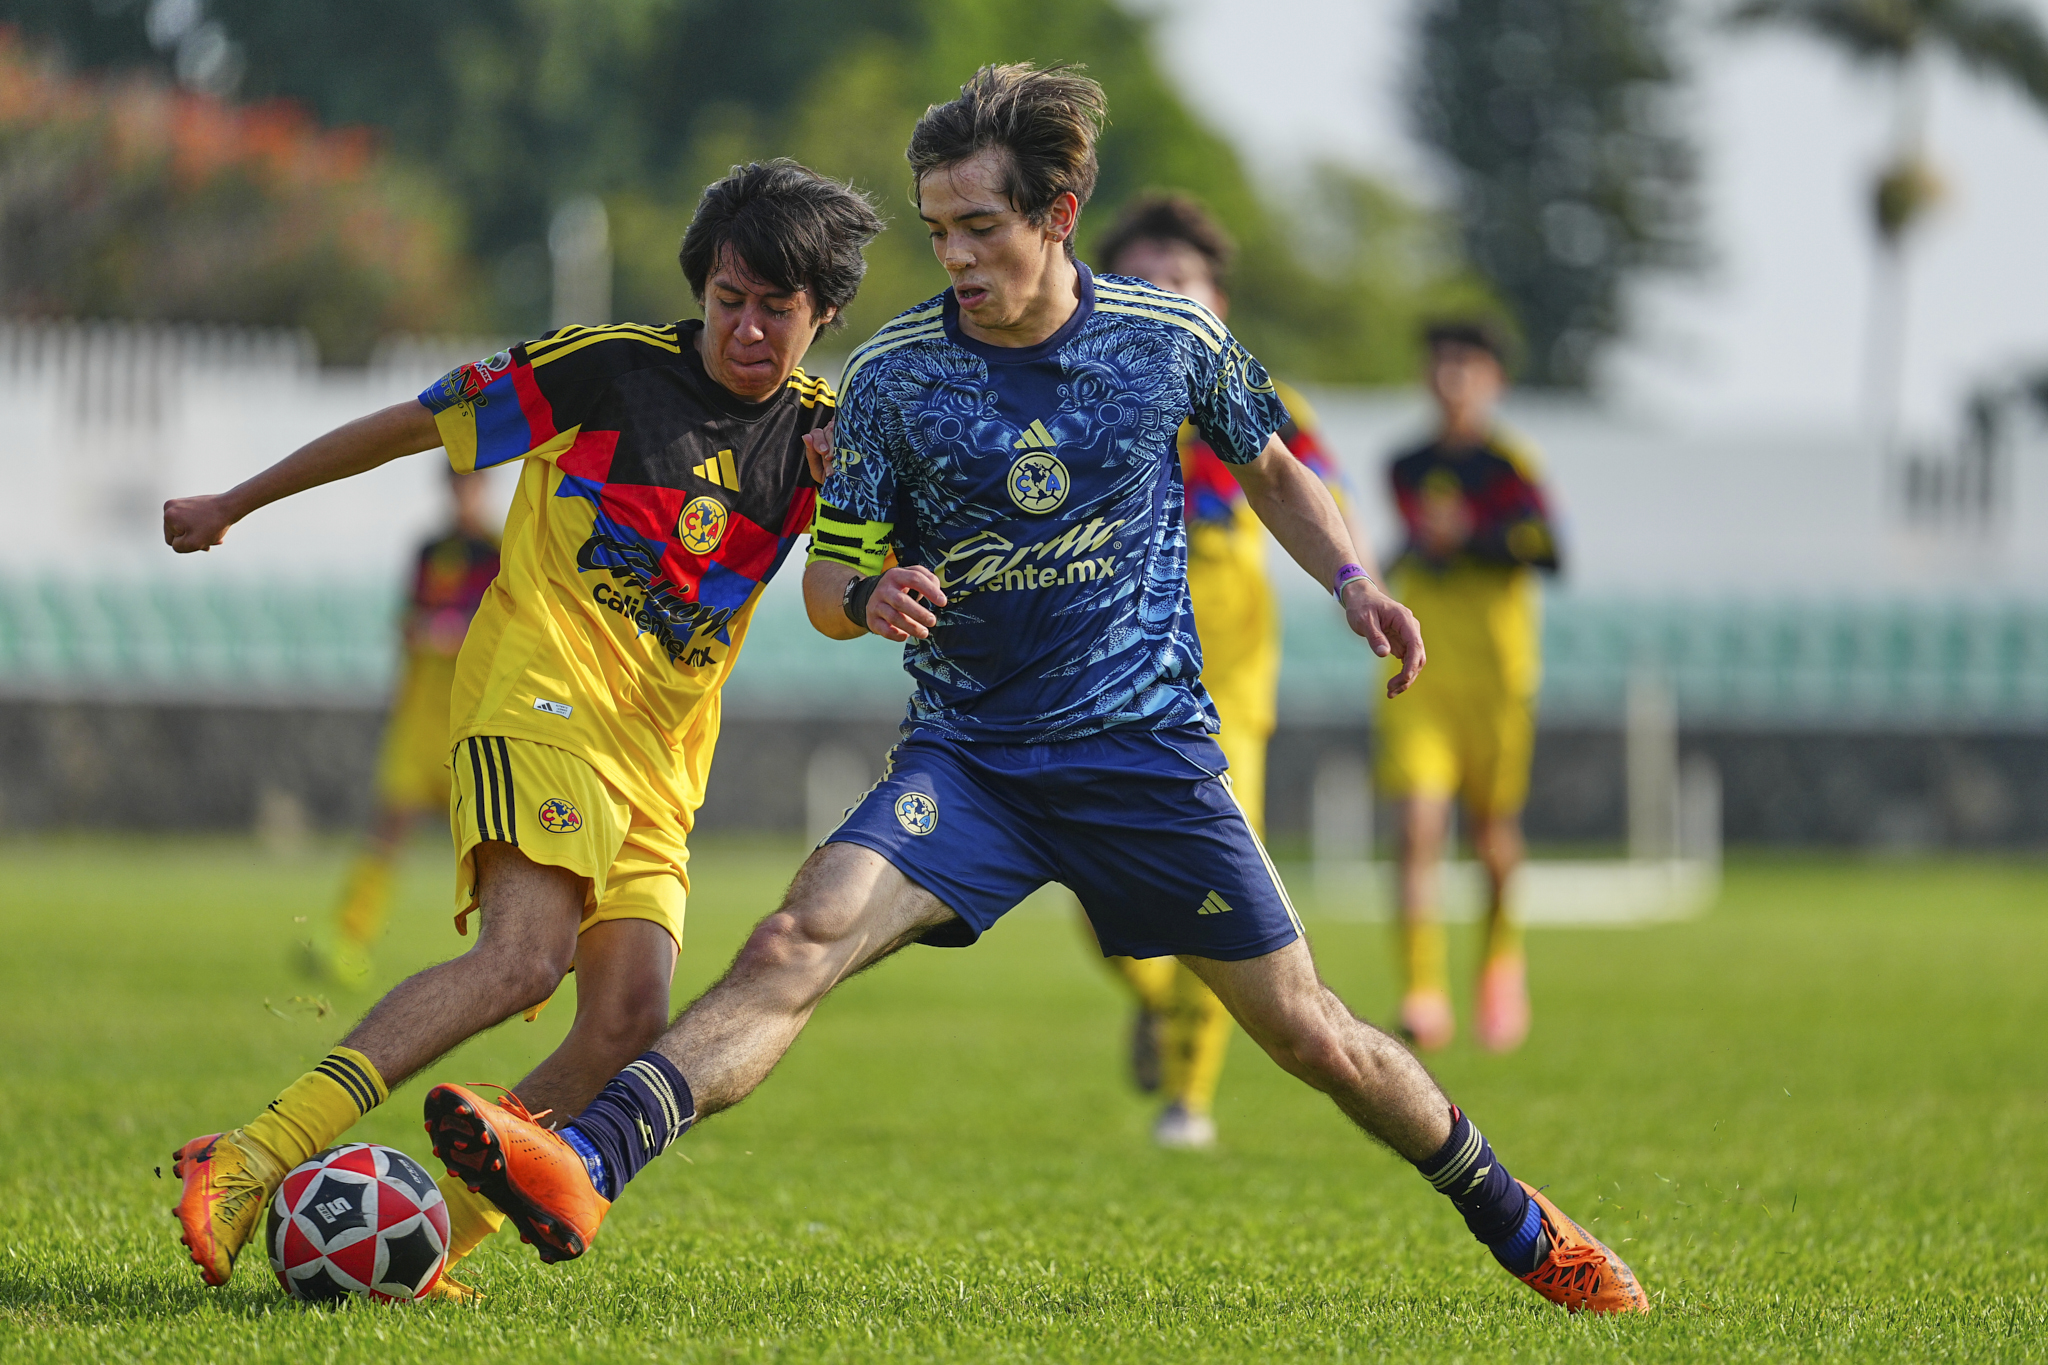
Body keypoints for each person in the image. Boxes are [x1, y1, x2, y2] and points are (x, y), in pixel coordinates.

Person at [421, 65, 1647, 1314]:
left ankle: (1515, 1217)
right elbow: (828, 589)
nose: (950, 254)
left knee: (1307, 1034)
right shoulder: (895, 377)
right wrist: (872, 597)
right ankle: (585, 1162)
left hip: (1145, 756)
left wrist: (1349, 579)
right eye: (937, 227)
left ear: (1057, 216)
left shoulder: (1167, 338)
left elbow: (1269, 463)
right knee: (800, 935)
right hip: (971, 765)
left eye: (979, 228)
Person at [162, 160, 884, 1298]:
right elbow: (411, 426)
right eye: (728, 299)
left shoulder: (829, 442)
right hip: (538, 700)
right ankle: (251, 1154)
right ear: (701, 288)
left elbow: (847, 603)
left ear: (824, 313)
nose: (747, 329)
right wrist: (233, 503)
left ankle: (421, 1248)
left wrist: (853, 511)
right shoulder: (602, 368)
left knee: (627, 1025)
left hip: (659, 764)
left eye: (777, 310)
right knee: (522, 959)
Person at [1082, 193, 1366, 1149]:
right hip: (1095, 679)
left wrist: (1357, 581)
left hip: (1224, 691)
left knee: (1211, 885)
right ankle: (1160, 997)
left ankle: (1186, 1103)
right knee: (1099, 900)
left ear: (1218, 303)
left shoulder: (1253, 401)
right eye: (1140, 280)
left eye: (1182, 281)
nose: (1160, 295)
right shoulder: (1077, 401)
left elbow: (1314, 495)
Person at [1378, 320, 1561, 1053]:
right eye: (1441, 362)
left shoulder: (1511, 464)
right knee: (1417, 826)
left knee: (1491, 839)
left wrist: (1470, 539)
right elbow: (1419, 546)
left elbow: (1549, 550)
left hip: (1498, 674)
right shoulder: (1406, 464)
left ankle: (1498, 964)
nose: (1452, 376)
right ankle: (1422, 990)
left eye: (1468, 364)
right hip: (1421, 672)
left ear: (1495, 380)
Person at [306, 469, 501, 985]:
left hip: (471, 714)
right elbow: (409, 621)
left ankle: (509, 950)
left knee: (491, 841)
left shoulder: (502, 550)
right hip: (421, 711)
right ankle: (350, 936)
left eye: (472, 484)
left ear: (486, 489)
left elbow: (501, 629)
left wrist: (451, 635)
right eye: (457, 485)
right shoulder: (430, 550)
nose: (464, 495)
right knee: (390, 823)